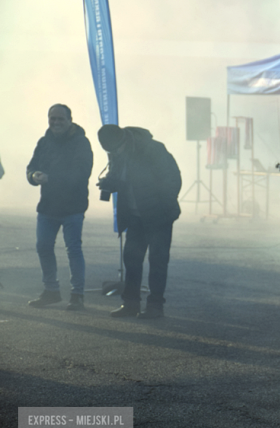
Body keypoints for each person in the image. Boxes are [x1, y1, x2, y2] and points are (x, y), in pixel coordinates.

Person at [96, 124, 181, 319]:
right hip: (136, 216)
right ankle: (131, 304)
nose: (114, 152)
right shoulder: (116, 150)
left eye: (117, 148)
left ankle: (155, 307)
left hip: (159, 216)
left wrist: (161, 204)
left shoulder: (153, 149)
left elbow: (173, 179)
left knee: (157, 262)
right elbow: (123, 178)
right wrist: (110, 183)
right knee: (132, 260)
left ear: (125, 139)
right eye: (110, 151)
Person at [26, 104, 93, 311]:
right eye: (52, 119)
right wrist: (33, 176)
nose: (55, 122)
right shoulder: (44, 142)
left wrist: (51, 179)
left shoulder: (81, 143)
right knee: (43, 247)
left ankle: (77, 295)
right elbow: (32, 166)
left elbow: (81, 174)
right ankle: (51, 291)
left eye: (60, 119)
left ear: (70, 120)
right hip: (48, 207)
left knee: (73, 249)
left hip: (73, 206)